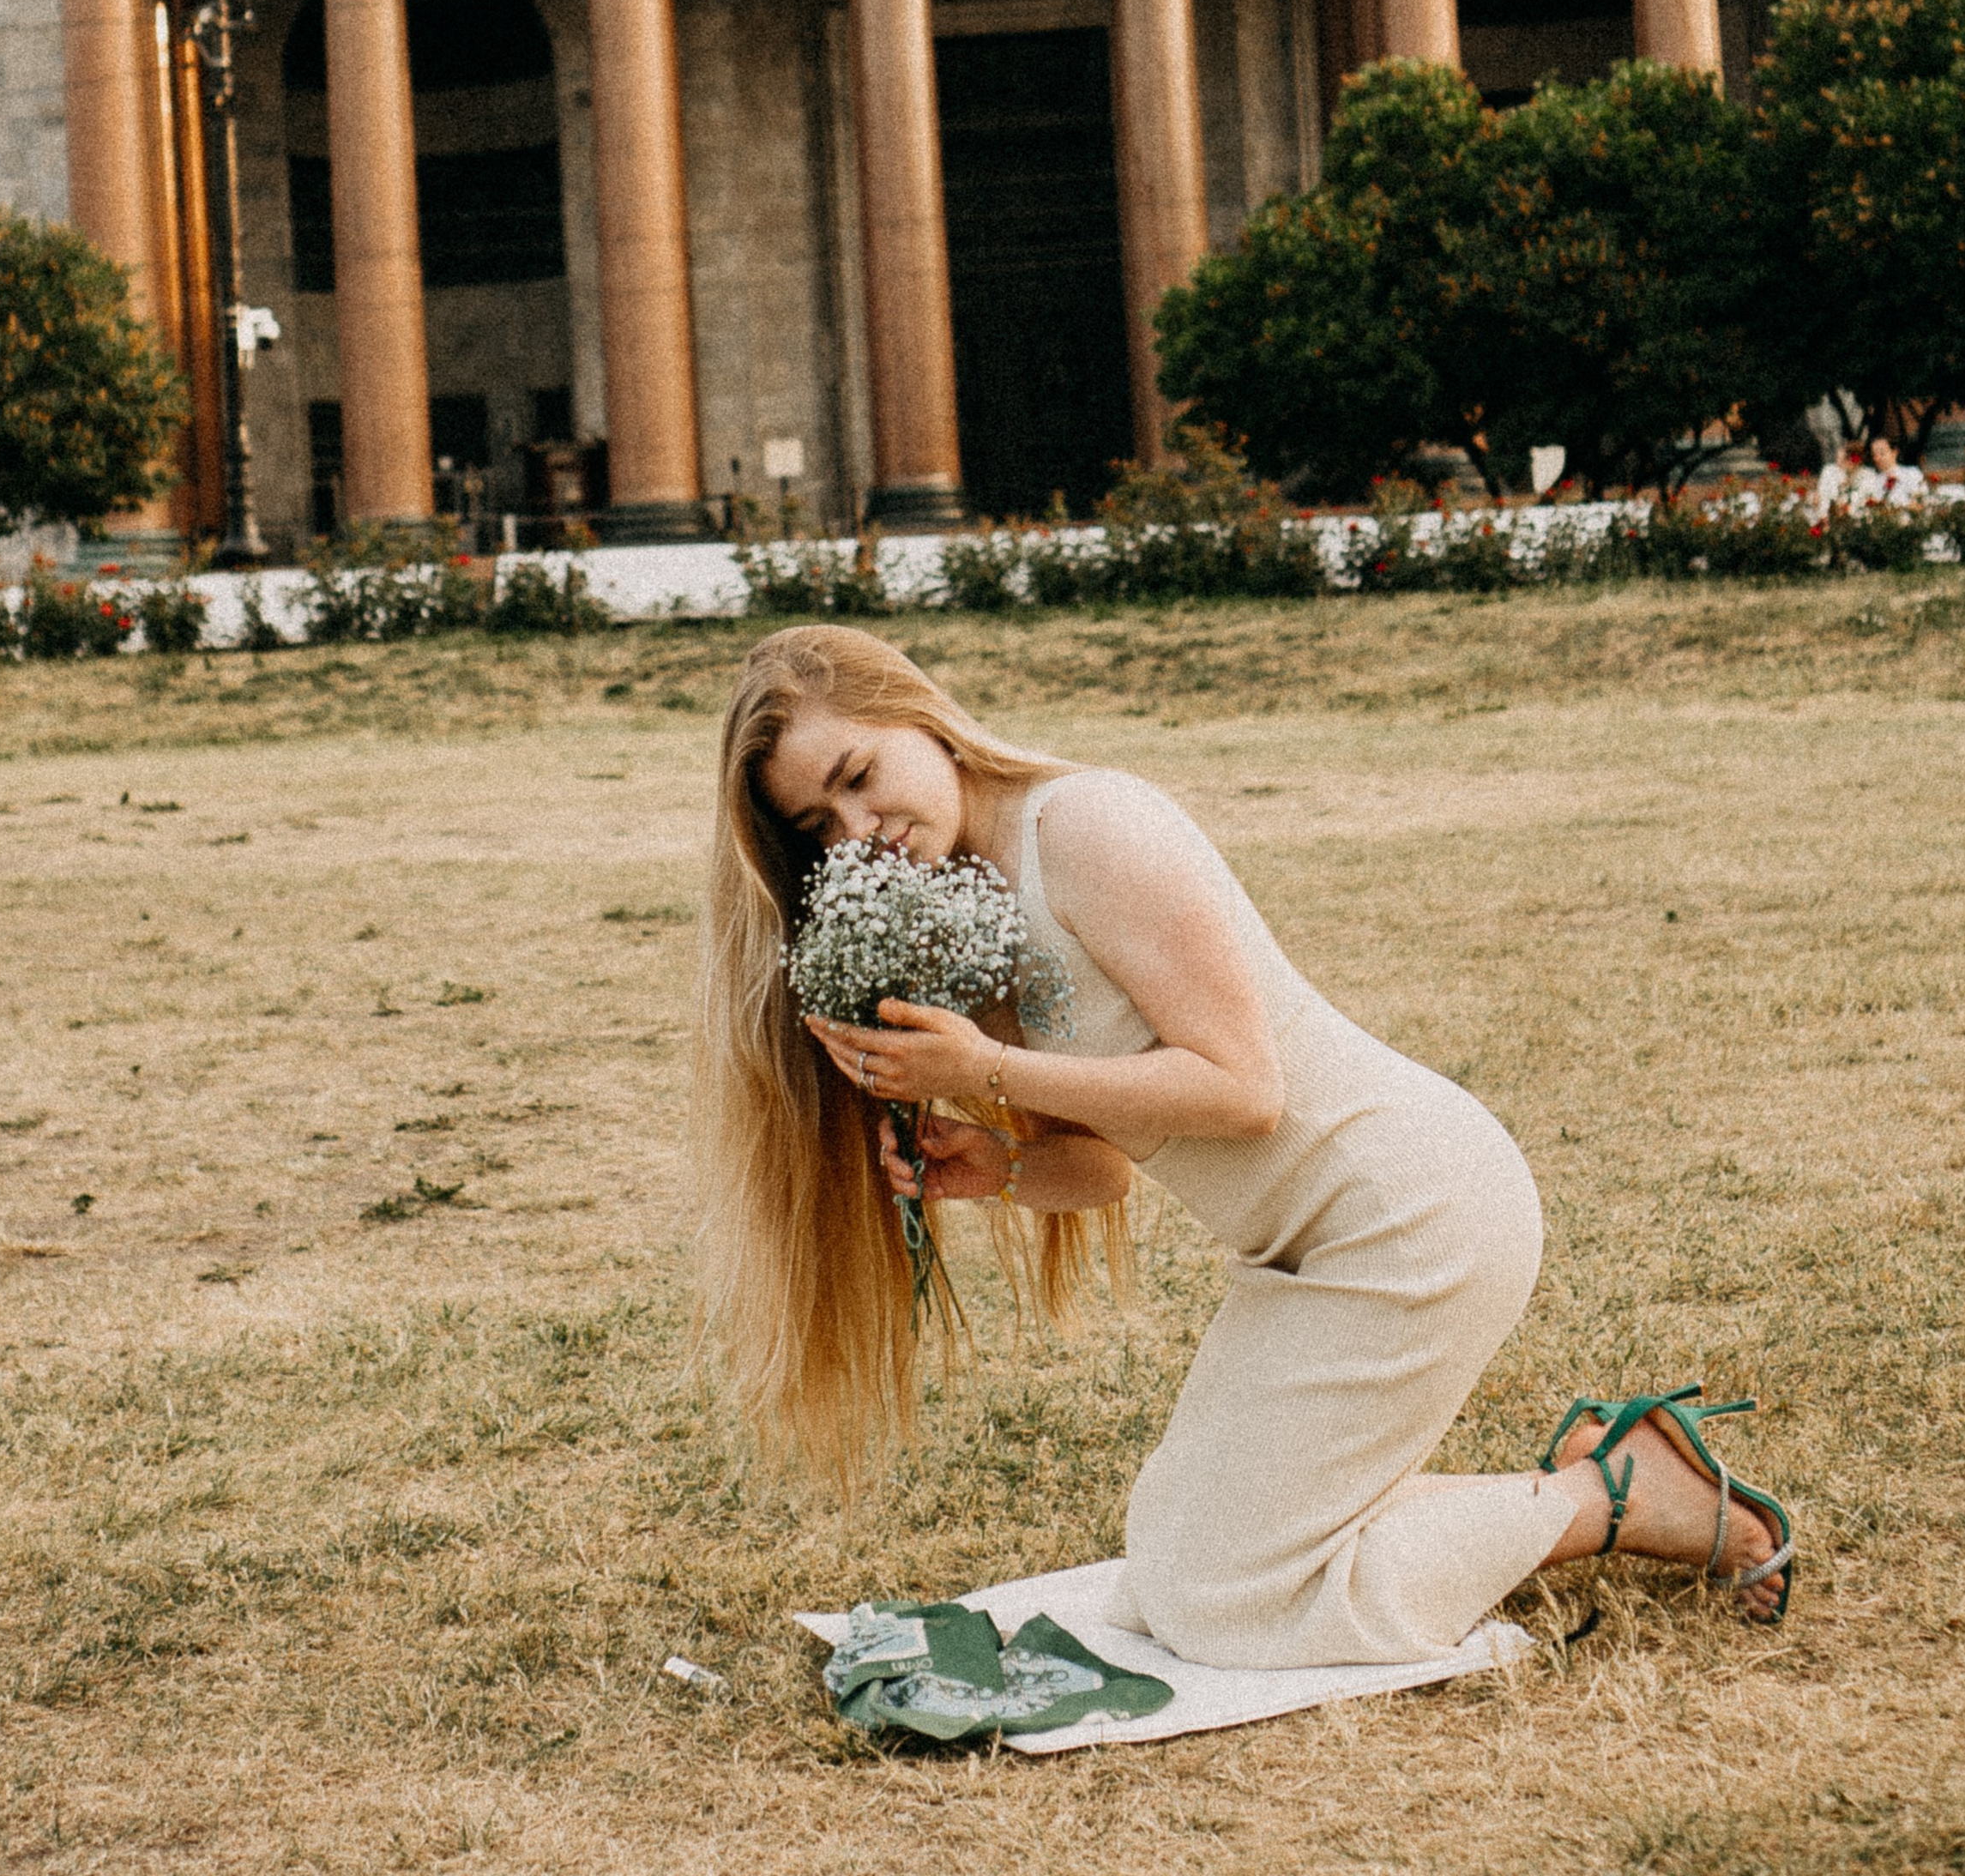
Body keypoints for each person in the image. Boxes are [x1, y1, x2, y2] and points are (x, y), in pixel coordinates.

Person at [696, 625, 1794, 1668]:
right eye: (818, 828)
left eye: (856, 774)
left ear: (918, 716)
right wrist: (996, 1167)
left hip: (1413, 1215)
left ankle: (1611, 1496)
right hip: (1292, 1253)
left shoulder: (1086, 825)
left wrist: (980, 1071)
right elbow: (1111, 1161)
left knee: (1225, 1602)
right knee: (1175, 1553)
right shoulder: (972, 908)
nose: (857, 830)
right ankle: (1606, 1481)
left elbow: (1242, 1091)